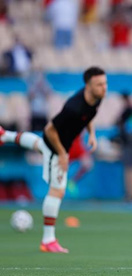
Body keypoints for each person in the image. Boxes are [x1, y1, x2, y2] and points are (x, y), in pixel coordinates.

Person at [0, 67, 107, 253]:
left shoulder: (96, 97)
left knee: (37, 144)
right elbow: (50, 129)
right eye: (99, 84)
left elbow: (90, 115)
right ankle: (48, 240)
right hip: (56, 144)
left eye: (105, 83)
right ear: (88, 86)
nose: (104, 87)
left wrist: (92, 134)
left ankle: (4, 135)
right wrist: (62, 154)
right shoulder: (73, 107)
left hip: (60, 144)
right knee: (57, 190)